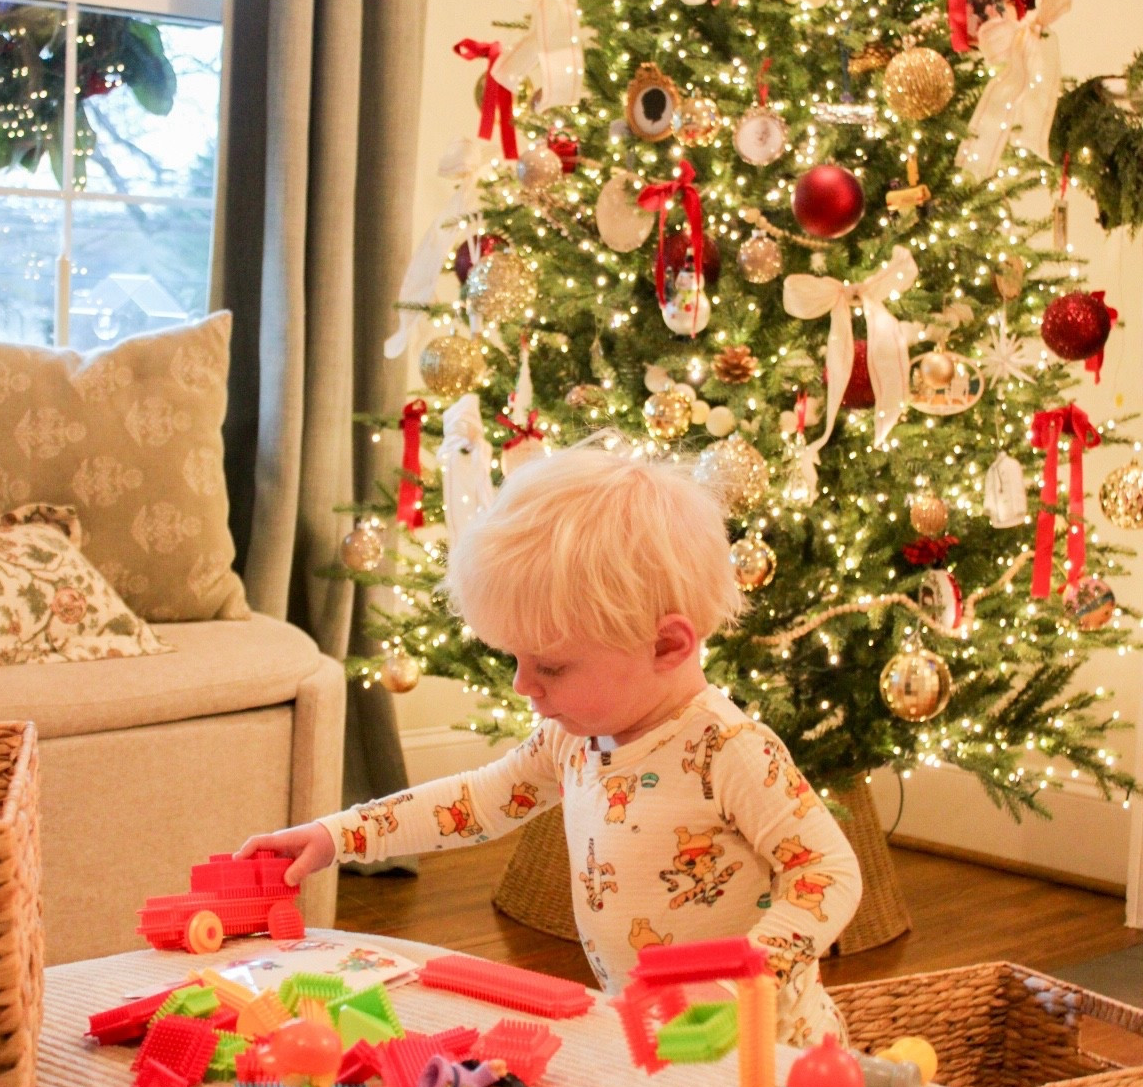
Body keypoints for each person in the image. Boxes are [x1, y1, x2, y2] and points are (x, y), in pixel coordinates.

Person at [239, 444, 862, 1047]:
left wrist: (739, 980)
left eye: (552, 666)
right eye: (516, 658)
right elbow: (475, 803)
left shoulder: (728, 750)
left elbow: (826, 872)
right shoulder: (571, 738)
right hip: (657, 1036)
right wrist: (338, 835)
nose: (522, 684)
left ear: (667, 645)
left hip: (773, 1049)